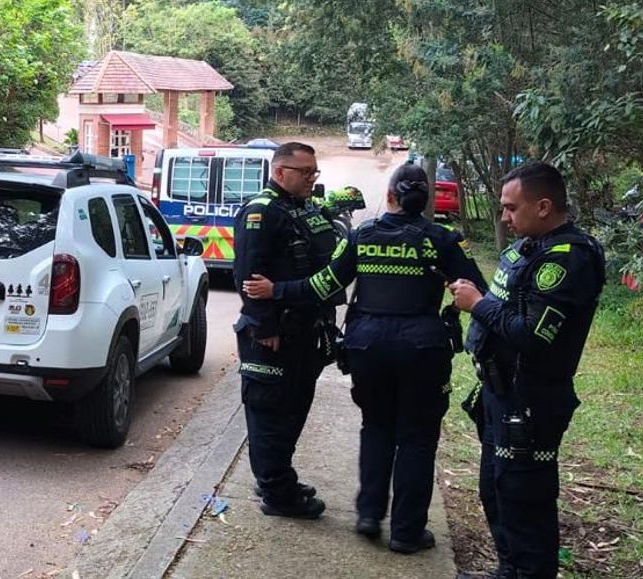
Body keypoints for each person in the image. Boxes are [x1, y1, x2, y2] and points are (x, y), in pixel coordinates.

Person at [244, 164, 488, 553]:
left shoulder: (362, 236)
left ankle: (369, 515)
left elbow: (322, 284)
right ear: (424, 200)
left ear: (390, 196)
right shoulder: (442, 239)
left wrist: (276, 290)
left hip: (367, 348)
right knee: (417, 438)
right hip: (423, 349)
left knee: (376, 427)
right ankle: (407, 532)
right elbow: (479, 290)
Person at [450, 162, 605, 579]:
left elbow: (532, 334)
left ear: (543, 206)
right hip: (501, 391)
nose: (504, 217)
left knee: (524, 498)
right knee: (496, 490)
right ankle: (510, 571)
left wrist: (477, 304)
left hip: (532, 400)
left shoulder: (568, 260)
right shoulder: (532, 248)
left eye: (511, 208)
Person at [232, 141, 341, 519]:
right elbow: (248, 275)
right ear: (280, 172)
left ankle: (278, 476)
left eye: (314, 171)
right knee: (270, 414)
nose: (312, 178)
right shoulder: (261, 212)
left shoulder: (300, 208)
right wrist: (264, 326)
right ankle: (277, 492)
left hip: (303, 331)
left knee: (294, 407)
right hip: (272, 335)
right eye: (305, 172)